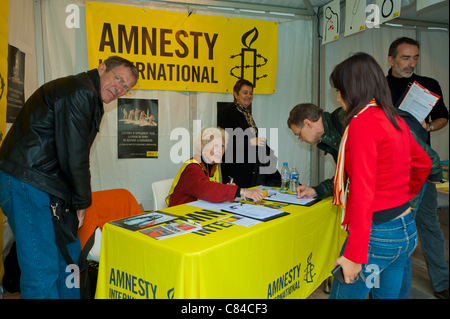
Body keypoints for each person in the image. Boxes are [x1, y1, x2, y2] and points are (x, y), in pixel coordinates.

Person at [0, 56, 138, 299]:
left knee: (69, 258)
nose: (120, 89)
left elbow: (71, 154)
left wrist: (75, 200)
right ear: (102, 67)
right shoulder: (81, 91)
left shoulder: (91, 97)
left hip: (48, 185)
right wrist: (82, 202)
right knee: (41, 268)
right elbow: (74, 156)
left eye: (126, 87)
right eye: (118, 79)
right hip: (28, 181)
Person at [327, 52, 431, 299]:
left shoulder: (362, 123)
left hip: (377, 237)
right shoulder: (394, 118)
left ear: (352, 88)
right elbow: (424, 164)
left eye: (339, 89)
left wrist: (354, 255)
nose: (338, 96)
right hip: (403, 231)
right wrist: (399, 197)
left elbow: (363, 192)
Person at [387, 37, 449, 299]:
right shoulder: (378, 86)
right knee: (398, 229)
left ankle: (442, 282)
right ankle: (391, 285)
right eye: (405, 58)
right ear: (391, 59)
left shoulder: (428, 85)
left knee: (430, 225)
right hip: (391, 170)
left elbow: (443, 116)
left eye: (415, 58)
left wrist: (429, 127)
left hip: (422, 168)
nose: (411, 63)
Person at [166, 127, 265, 207]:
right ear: (203, 149)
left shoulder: (213, 165)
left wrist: (226, 189)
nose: (220, 150)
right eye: (215, 146)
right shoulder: (192, 168)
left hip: (198, 210)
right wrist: (242, 191)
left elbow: (212, 189)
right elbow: (207, 190)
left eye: (222, 146)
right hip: (179, 214)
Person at [218, 79, 279, 188]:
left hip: (249, 167)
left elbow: (253, 140)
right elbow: (225, 140)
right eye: (245, 92)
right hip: (234, 167)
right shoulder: (228, 112)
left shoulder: (246, 113)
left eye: (251, 93)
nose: (249, 96)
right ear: (235, 94)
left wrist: (266, 151)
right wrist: (251, 141)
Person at [287, 103, 345, 199]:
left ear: (308, 124)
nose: (301, 140)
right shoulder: (331, 135)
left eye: (299, 135)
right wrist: (316, 191)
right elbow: (345, 176)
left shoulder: (343, 120)